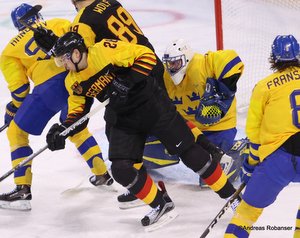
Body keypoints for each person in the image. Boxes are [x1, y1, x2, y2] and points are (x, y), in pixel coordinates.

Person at [46, 31, 241, 229]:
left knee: (191, 155)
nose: (63, 65)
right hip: (124, 118)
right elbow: (78, 111)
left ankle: (232, 196)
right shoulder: (73, 81)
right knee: (121, 169)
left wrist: (128, 80)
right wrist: (63, 129)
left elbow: (146, 55)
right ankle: (162, 205)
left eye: (64, 60)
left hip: (151, 104)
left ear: (77, 54)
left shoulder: (105, 50)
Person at [0, 3, 113, 211]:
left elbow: (20, 91)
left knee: (16, 132)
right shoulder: (59, 23)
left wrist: (12, 109)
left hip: (49, 89)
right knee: (73, 127)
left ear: (17, 25)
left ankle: (22, 190)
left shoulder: (9, 51)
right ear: (38, 16)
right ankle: (102, 174)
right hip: (76, 79)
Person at [224, 34, 300, 238]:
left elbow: (254, 133)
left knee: (246, 212)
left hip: (279, 158)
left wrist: (250, 164)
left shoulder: (264, 86)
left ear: (273, 57)